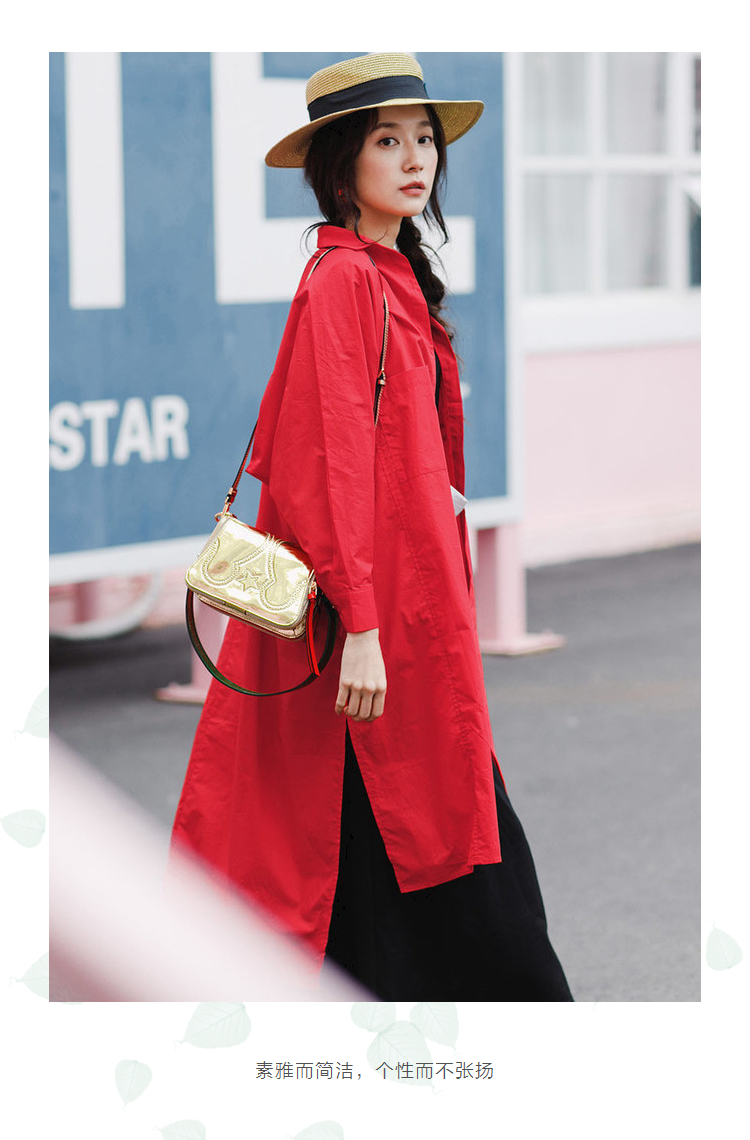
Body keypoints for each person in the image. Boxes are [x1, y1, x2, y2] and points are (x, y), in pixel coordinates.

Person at [171, 53, 573, 1001]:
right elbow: (331, 467)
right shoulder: (344, 281)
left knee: (380, 824)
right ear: (340, 164)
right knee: (421, 820)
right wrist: (361, 624)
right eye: (387, 141)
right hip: (375, 612)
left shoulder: (390, 275)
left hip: (409, 604)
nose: (415, 158)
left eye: (423, 139)